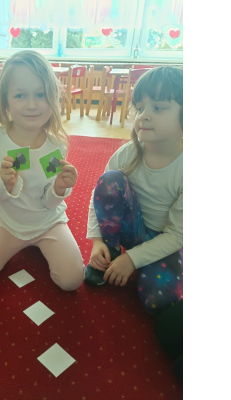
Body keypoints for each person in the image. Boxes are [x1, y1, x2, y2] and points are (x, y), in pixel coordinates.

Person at [0, 50, 84, 291]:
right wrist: (5, 184)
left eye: (41, 94)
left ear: (53, 98)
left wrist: (59, 188)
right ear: (6, 100)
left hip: (49, 224)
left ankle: (40, 243)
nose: (32, 104)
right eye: (20, 95)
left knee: (72, 281)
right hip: (10, 226)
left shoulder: (56, 145)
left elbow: (49, 202)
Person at [84, 66, 183, 316]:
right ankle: (110, 251)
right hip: (130, 228)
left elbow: (178, 234)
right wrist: (97, 241)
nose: (144, 115)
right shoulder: (128, 152)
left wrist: (132, 259)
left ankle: (136, 260)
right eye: (140, 108)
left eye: (158, 108)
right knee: (111, 180)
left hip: (165, 238)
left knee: (159, 301)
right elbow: (99, 196)